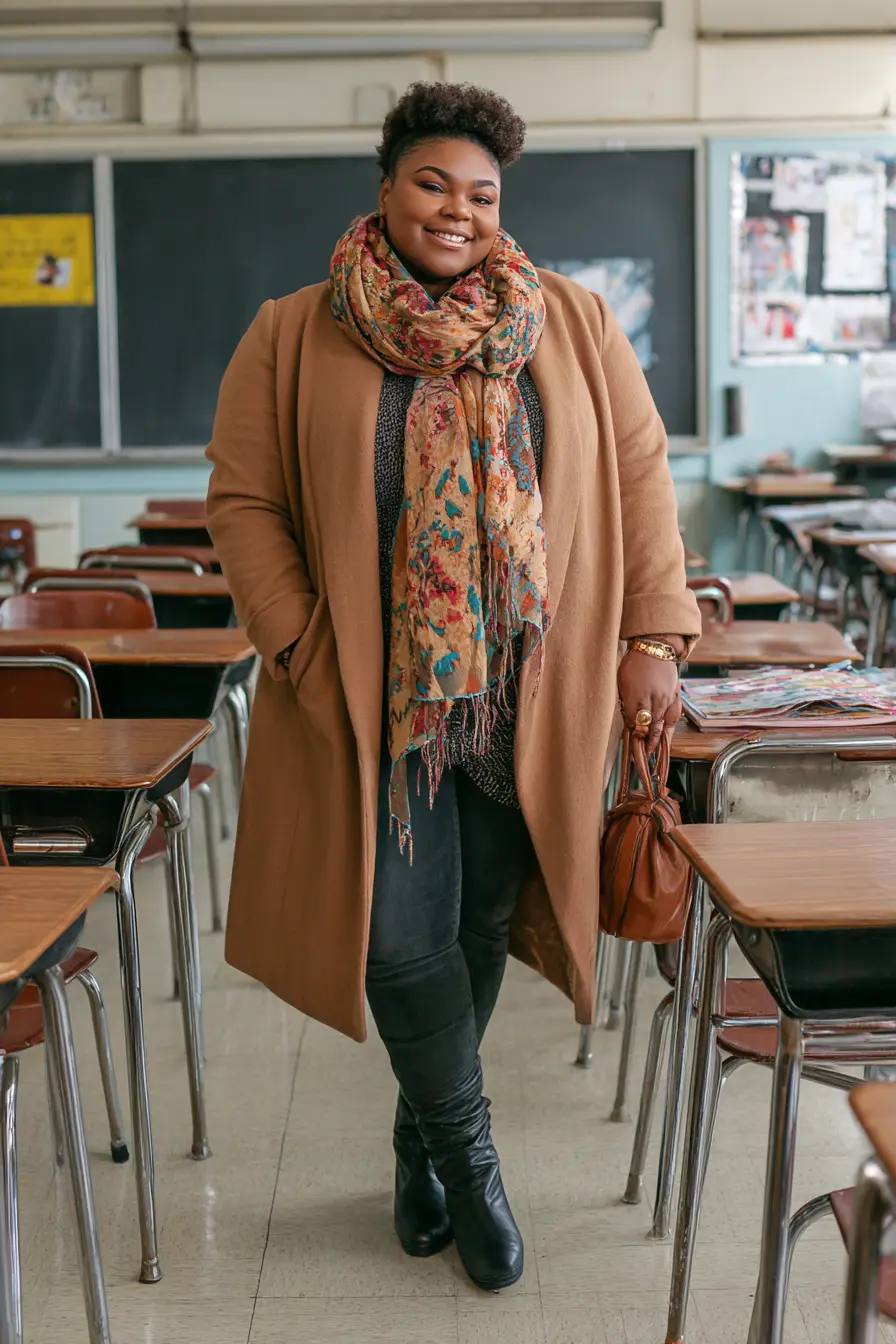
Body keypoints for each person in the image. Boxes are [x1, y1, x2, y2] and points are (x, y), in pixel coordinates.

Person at [206, 80, 701, 1292]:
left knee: (479, 920)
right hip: (367, 697)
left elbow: (639, 481)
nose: (457, 209)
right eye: (432, 182)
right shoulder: (293, 330)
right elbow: (244, 501)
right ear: (384, 189)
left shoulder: (570, 324)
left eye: (481, 193)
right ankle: (470, 1161)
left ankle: (416, 1139)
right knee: (392, 936)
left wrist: (653, 637)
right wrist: (298, 644)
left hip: (528, 687)